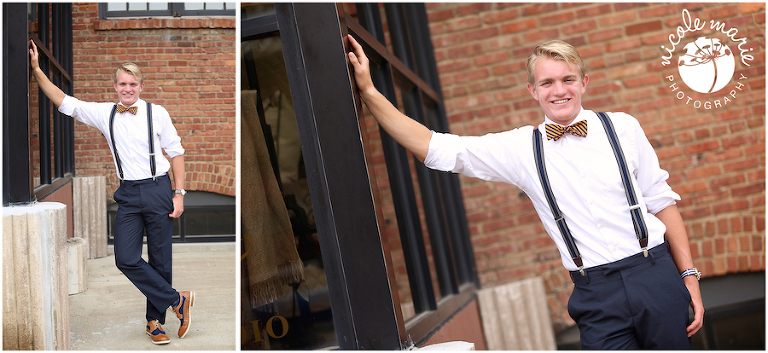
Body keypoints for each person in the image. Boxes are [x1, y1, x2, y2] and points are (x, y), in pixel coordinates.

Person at [347, 35, 704, 349]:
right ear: (532, 90)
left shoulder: (624, 128)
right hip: (595, 293)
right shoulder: (521, 148)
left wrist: (688, 276)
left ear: (584, 83)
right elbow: (437, 148)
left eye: (568, 79)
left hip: (654, 273)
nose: (559, 90)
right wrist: (369, 92)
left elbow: (661, 202)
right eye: (547, 82)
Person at [29, 40, 194, 345]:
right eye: (122, 84)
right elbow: (65, 101)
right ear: (115, 86)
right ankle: (177, 299)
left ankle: (154, 322)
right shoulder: (104, 113)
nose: (127, 89)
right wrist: (38, 70)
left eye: (132, 83)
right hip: (129, 194)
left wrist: (179, 193)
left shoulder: (157, 113)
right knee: (125, 258)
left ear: (141, 86)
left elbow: (177, 152)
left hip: (159, 189)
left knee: (161, 261)